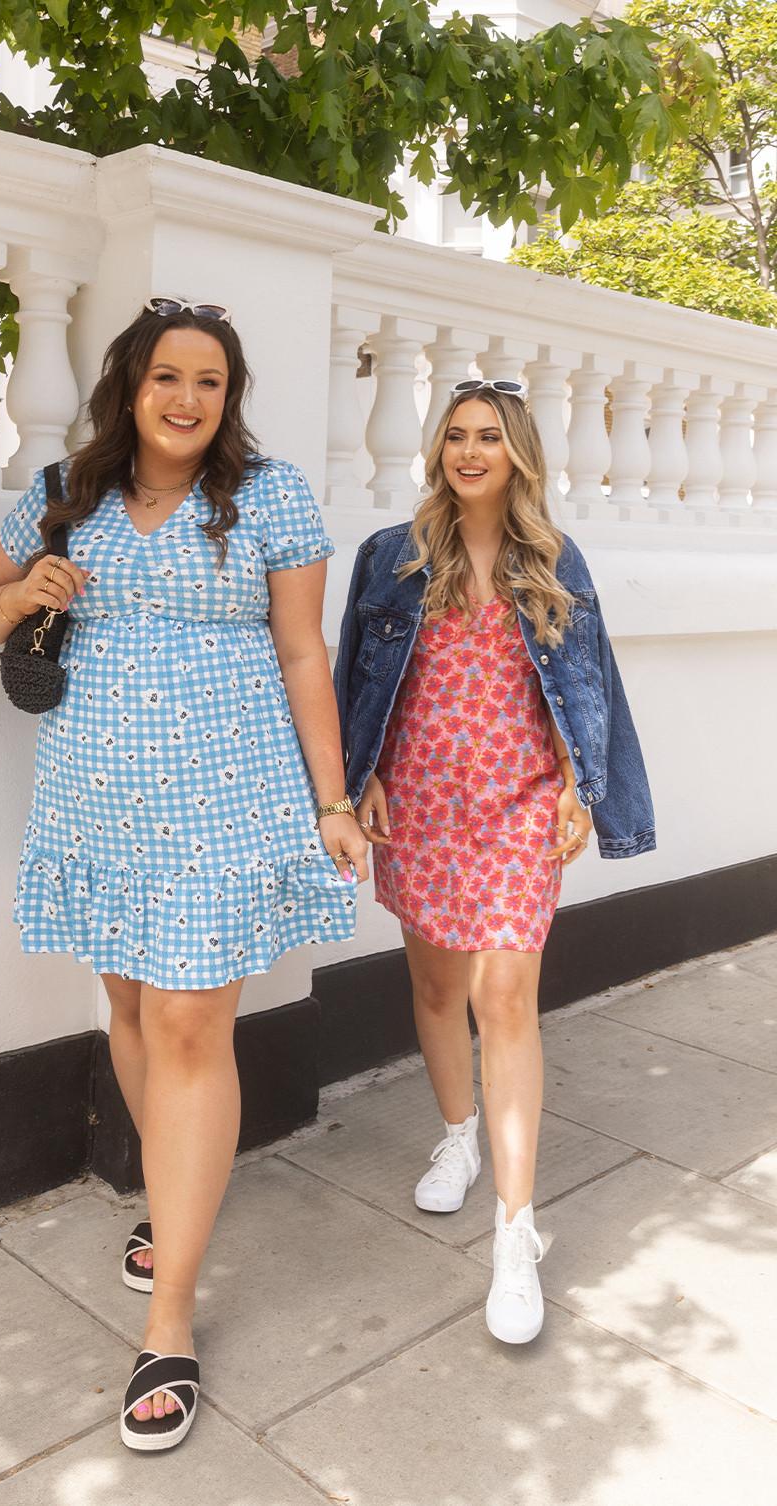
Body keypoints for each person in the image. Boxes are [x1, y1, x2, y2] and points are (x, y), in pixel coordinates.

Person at [0, 297, 366, 1450]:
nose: (187, 400)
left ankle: (171, 1318)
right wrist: (23, 593)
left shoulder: (272, 495)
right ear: (129, 385)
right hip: (98, 800)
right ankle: (169, 1206)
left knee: (192, 1025)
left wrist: (331, 802)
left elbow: (301, 652)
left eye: (210, 382)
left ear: (229, 397)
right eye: (166, 378)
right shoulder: (62, 494)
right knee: (132, 1011)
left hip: (227, 798)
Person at [333, 379, 655, 1345]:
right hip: (421, 802)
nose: (470, 452)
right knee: (435, 990)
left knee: (504, 998)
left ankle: (517, 1235)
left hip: (517, 810)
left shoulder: (554, 560)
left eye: (489, 438)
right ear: (438, 451)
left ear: (518, 453)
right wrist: (361, 780)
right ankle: (459, 1137)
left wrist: (576, 784)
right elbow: (355, 676)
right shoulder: (389, 558)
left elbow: (588, 680)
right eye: (456, 437)